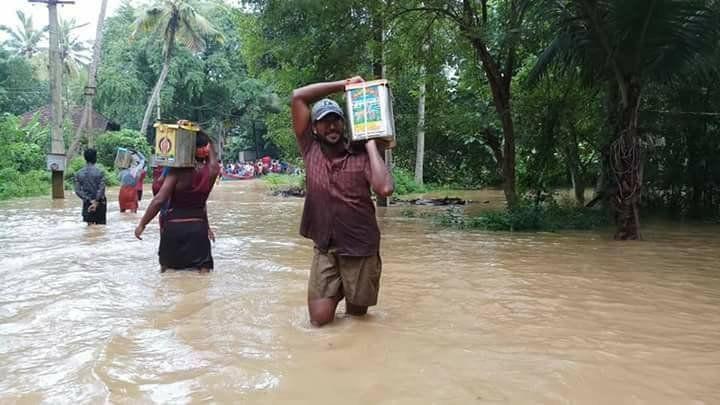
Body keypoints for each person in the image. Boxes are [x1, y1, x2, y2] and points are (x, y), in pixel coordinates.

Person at [291, 76, 394, 327]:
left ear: (344, 124)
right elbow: (298, 96)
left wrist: (371, 144)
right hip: (325, 247)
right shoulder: (310, 149)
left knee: (356, 321)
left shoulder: (361, 155)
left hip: (360, 248)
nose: (332, 127)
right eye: (324, 122)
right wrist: (344, 85)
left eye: (336, 120)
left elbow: (385, 188)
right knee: (319, 321)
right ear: (314, 128)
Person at [135, 123, 220, 273]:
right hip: (198, 229)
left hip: (174, 227)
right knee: (203, 273)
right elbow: (212, 150)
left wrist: (142, 224)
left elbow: (159, 200)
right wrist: (198, 130)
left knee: (168, 273)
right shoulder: (212, 171)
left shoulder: (176, 173)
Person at [74, 148, 107, 225]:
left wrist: (89, 200)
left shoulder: (78, 173)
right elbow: (101, 189)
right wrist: (96, 201)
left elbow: (78, 191)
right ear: (95, 158)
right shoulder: (100, 172)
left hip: (87, 203)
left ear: (85, 158)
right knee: (100, 227)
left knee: (90, 227)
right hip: (100, 203)